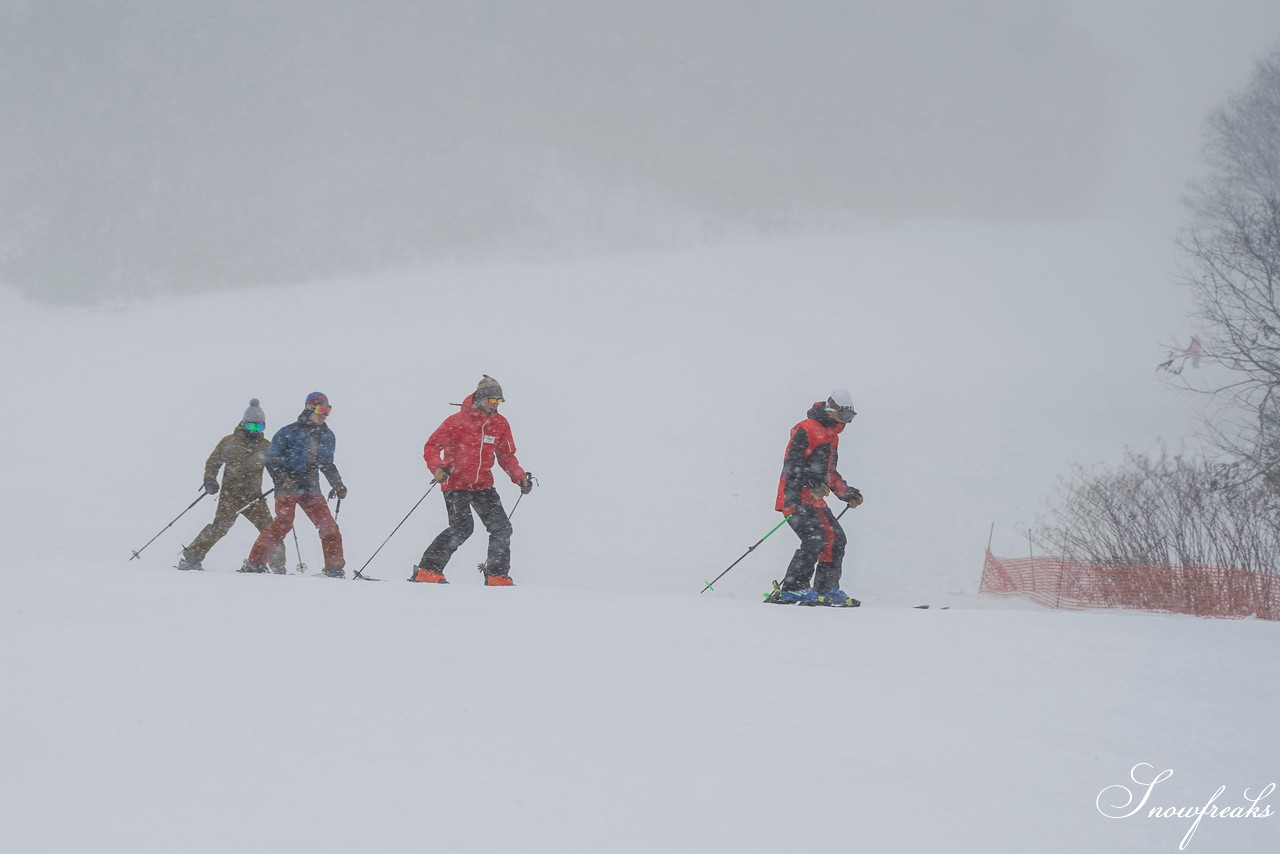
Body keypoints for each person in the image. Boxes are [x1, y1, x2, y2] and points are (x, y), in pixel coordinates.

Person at [410, 375, 534, 586]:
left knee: (502, 528)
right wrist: (437, 468)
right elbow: (431, 446)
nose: (494, 405)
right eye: (491, 400)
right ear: (480, 399)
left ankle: (496, 575)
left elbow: (506, 456)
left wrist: (519, 477)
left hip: (483, 484)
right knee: (462, 527)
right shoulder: (457, 421)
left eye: (499, 401)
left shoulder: (500, 424)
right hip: (455, 482)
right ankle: (427, 570)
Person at [769, 389, 864, 606]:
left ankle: (827, 588)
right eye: (845, 416)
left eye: (851, 417)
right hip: (794, 498)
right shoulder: (807, 429)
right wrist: (811, 482)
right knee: (816, 538)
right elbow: (792, 465)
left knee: (836, 539)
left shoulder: (832, 436)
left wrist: (845, 492)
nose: (847, 422)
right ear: (832, 409)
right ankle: (794, 588)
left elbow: (829, 471)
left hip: (814, 500)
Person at [240, 392, 348, 578]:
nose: (324, 415)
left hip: (311, 486)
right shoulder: (289, 431)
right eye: (321, 409)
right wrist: (282, 478)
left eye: (328, 410)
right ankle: (255, 563)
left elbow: (327, 464)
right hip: (288, 486)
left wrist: (338, 484)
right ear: (309, 408)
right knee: (283, 523)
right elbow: (271, 459)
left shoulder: (328, 436)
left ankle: (334, 569)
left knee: (328, 526)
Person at [177, 399, 285, 573]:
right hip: (230, 496)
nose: (254, 431)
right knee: (219, 528)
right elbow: (213, 462)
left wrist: (282, 481)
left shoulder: (266, 447)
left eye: (259, 428)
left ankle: (278, 566)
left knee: (270, 529)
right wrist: (210, 479)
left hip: (254, 498)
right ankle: (191, 559)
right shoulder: (229, 442)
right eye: (251, 426)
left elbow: (276, 470)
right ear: (243, 423)